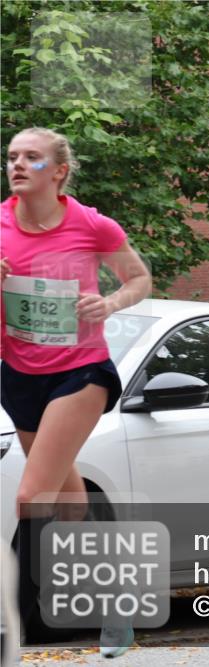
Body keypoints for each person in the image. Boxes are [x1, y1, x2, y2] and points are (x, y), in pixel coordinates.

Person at [1, 127, 152, 657]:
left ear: (59, 171)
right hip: (19, 375)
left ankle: (11, 625)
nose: (18, 165)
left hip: (81, 372)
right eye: (12, 157)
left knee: (31, 497)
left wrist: (109, 304)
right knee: (68, 504)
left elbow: (139, 280)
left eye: (32, 158)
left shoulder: (91, 225)